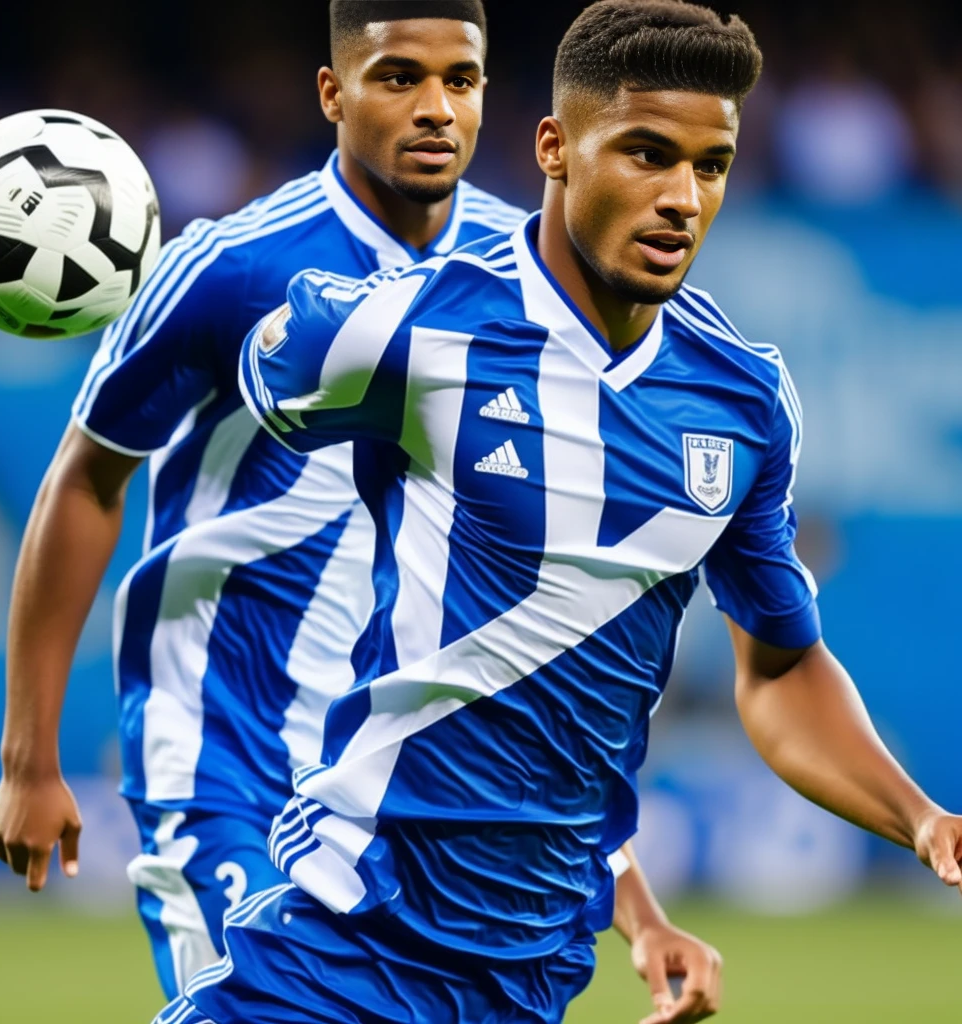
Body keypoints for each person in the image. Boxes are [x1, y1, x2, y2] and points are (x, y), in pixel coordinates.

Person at [152, 2, 962, 1023]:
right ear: (554, 148)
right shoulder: (413, 326)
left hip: (533, 975)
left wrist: (919, 817)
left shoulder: (743, 402)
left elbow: (779, 668)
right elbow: (248, 392)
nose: (679, 198)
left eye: (709, 166)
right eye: (645, 152)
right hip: (343, 943)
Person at [0, 0, 719, 1015]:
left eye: (458, 81)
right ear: (333, 93)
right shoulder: (234, 267)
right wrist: (30, 755)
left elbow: (528, 631)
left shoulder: (529, 284)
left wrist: (635, 907)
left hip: (392, 779)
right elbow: (87, 476)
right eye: (397, 78)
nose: (434, 109)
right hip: (223, 750)